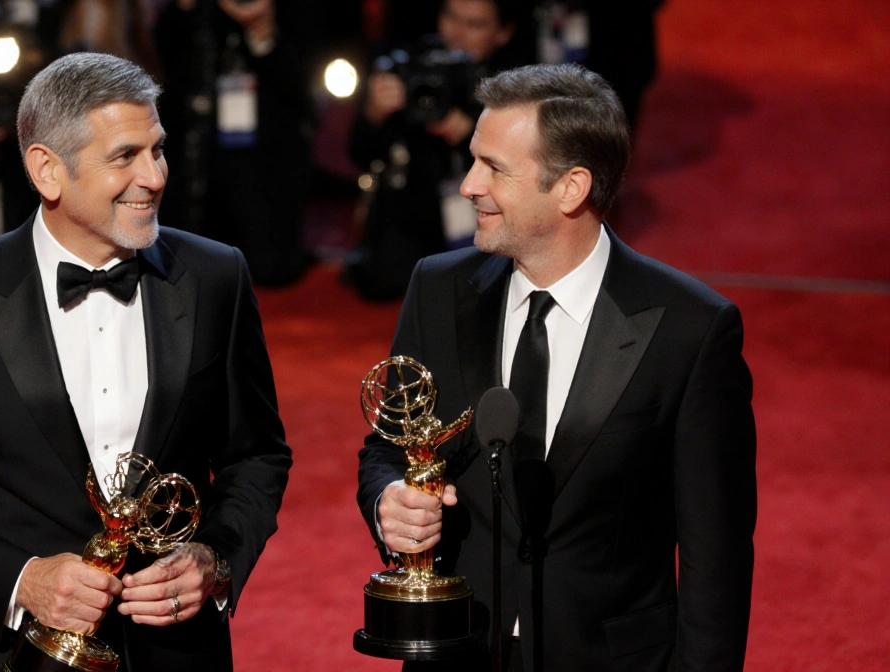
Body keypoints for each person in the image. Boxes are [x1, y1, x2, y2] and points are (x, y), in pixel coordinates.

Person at [0, 53, 292, 671]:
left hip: (174, 653)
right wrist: (20, 580)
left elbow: (256, 455)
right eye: (124, 157)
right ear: (47, 170)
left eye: (157, 150)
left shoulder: (217, 277)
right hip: (10, 654)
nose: (155, 176)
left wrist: (216, 559)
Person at [356, 63, 756, 670]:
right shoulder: (438, 289)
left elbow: (716, 558)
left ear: (570, 188)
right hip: (459, 649)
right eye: (473, 161)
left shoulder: (689, 330)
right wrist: (388, 498)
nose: (468, 185)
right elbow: (389, 448)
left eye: (494, 168)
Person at [346, 0, 531, 301]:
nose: (457, 33)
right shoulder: (408, 63)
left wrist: (470, 134)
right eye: (451, 17)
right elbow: (359, 155)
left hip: (487, 216)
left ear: (503, 32)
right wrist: (372, 116)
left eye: (474, 25)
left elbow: (531, 173)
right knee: (382, 284)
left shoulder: (520, 85)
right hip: (409, 208)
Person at [155, 0, 314, 286]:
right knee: (190, 264)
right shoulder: (196, 16)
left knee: (270, 269)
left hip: (265, 159)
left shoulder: (295, 14)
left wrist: (261, 30)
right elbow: (162, 57)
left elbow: (302, 88)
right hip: (197, 156)